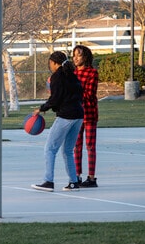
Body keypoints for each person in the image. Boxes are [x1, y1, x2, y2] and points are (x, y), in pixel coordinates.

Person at [31, 51, 84, 192]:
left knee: (50, 149)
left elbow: (55, 99)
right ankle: (73, 182)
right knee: (67, 150)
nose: (50, 66)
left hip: (66, 116)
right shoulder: (72, 76)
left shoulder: (57, 77)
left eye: (50, 63)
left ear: (55, 63)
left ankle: (48, 181)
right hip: (79, 115)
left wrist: (41, 109)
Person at [72, 44, 99, 188]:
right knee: (76, 146)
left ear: (86, 57)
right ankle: (76, 176)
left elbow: (89, 95)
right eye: (74, 55)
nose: (75, 58)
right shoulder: (72, 73)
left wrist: (73, 92)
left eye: (79, 55)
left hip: (89, 113)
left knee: (90, 146)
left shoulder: (92, 73)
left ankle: (92, 178)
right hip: (76, 114)